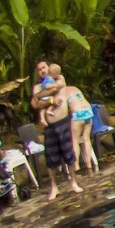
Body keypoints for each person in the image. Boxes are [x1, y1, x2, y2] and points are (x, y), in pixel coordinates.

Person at [31, 59, 82, 200]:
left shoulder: (59, 78)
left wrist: (40, 96)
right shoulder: (37, 87)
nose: (42, 70)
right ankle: (54, 187)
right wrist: (50, 100)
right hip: (49, 126)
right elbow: (35, 104)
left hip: (63, 122)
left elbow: (54, 89)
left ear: (49, 67)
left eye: (44, 67)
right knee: (51, 157)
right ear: (38, 72)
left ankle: (73, 182)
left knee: (68, 153)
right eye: (39, 69)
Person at [63, 74, 100, 175]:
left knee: (74, 140)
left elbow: (64, 110)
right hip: (88, 111)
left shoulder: (62, 93)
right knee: (86, 138)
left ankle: (76, 166)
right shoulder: (74, 88)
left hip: (78, 114)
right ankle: (88, 164)